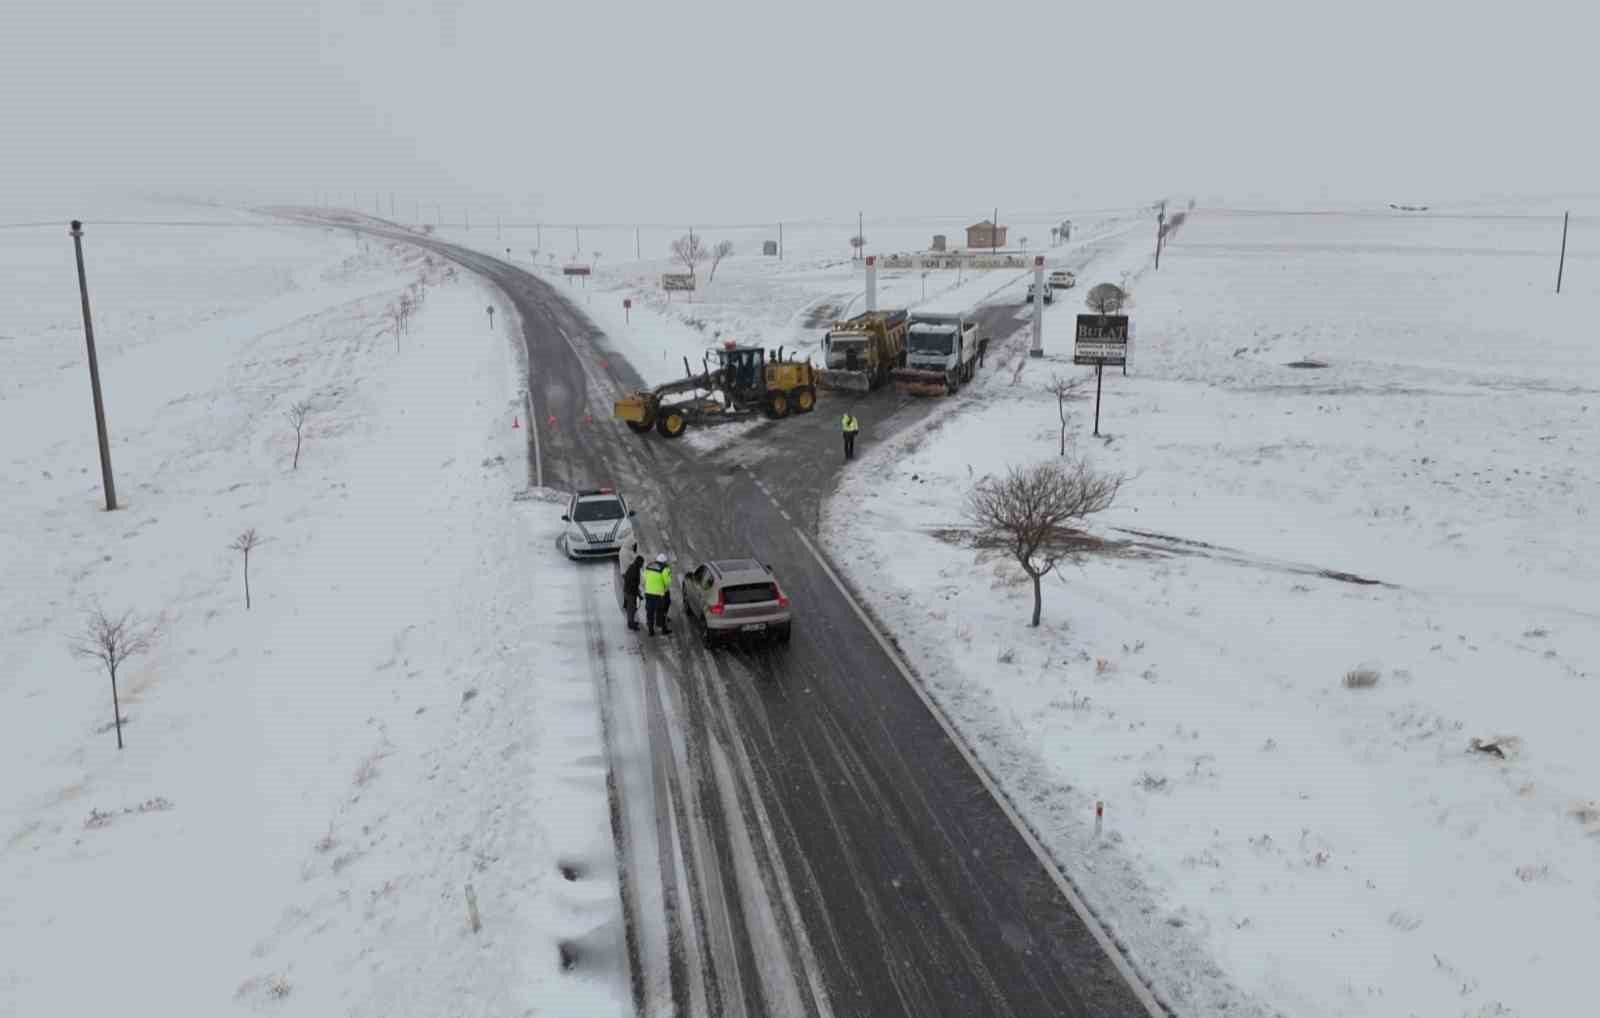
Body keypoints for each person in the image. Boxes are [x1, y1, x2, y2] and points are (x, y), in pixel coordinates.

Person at [643, 552, 673, 636]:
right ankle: (663, 629)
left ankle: (651, 631)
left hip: (648, 593)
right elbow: (668, 582)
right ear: (664, 561)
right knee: (661, 612)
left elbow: (644, 578)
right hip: (659, 595)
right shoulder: (665, 568)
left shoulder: (649, 566)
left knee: (650, 612)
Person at [622, 554, 645, 631]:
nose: (643, 565)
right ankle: (630, 624)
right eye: (642, 563)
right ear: (639, 562)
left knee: (633, 607)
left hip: (629, 591)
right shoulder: (634, 569)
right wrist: (638, 594)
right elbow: (632, 584)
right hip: (630, 592)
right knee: (631, 608)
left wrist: (637, 593)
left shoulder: (634, 567)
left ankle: (631, 621)